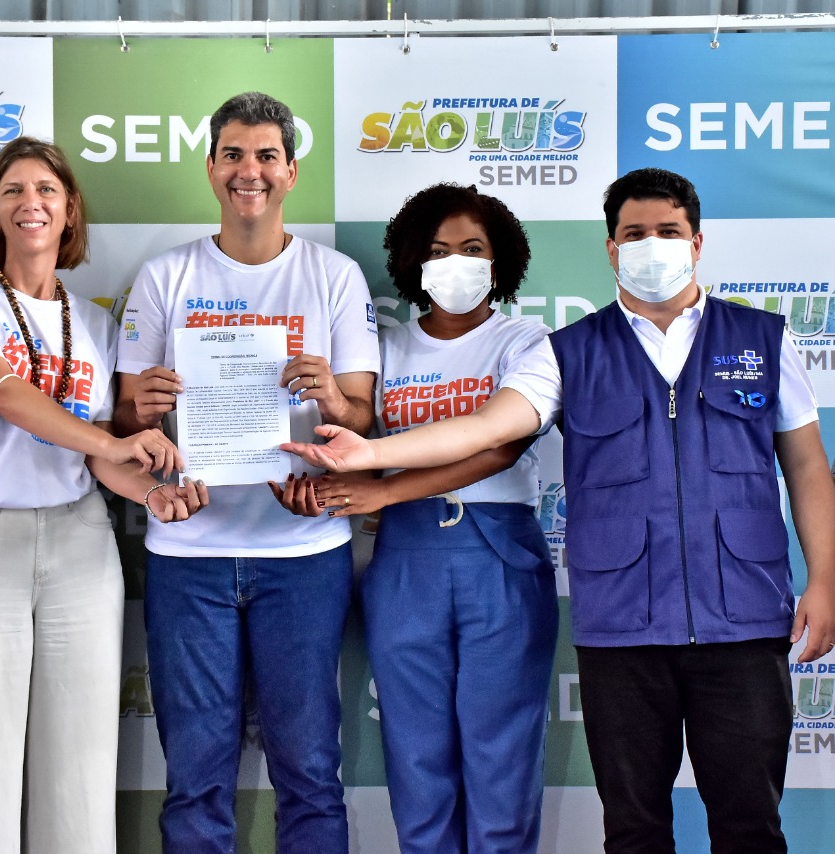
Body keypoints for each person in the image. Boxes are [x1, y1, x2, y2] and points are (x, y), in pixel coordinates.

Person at [283, 167, 835, 854]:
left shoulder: (762, 339)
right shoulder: (569, 351)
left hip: (744, 621)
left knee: (750, 825)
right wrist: (368, 455)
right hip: (623, 628)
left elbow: (807, 465)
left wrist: (824, 579)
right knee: (633, 831)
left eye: (668, 232)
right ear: (611, 248)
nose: (652, 246)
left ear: (697, 242)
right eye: (635, 233)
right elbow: (489, 427)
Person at [0, 136, 207, 854]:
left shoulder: (98, 323)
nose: (31, 203)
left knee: (80, 776)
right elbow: (4, 392)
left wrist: (152, 493)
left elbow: (100, 456)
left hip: (81, 543)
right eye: (13, 191)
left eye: (46, 190)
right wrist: (111, 445)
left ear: (71, 210)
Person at [114, 92, 379, 852]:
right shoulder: (165, 277)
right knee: (195, 779)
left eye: (266, 155)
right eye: (233, 154)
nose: (249, 171)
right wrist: (145, 408)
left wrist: (331, 399)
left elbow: (361, 417)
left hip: (304, 552)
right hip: (187, 553)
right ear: (210, 168)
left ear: (291, 171)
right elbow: (126, 421)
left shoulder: (334, 277)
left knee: (311, 774)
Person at [292, 183, 555, 852]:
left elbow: (499, 447)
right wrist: (317, 485)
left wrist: (383, 493)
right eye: (438, 251)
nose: (455, 264)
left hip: (498, 553)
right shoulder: (384, 350)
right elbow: (352, 445)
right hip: (405, 560)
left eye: (472, 249)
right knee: (416, 761)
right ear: (413, 261)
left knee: (502, 761)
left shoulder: (527, 340)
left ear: (500, 261)